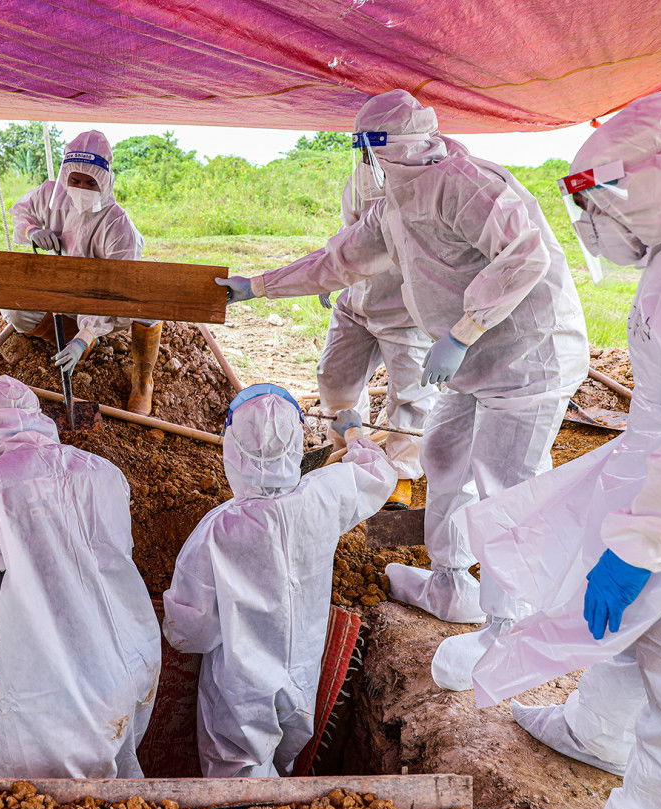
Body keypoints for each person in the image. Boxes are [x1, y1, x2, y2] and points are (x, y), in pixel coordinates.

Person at [457, 93, 661, 809]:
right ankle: (598, 734)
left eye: (597, 217)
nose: (597, 236)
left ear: (630, 190)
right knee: (632, 624)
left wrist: (641, 541)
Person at [218, 90, 588, 689]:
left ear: (382, 147)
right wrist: (256, 286)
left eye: (367, 146)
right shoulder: (393, 200)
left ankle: (508, 628)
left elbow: (524, 259)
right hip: (473, 359)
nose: (364, 159)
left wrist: (463, 333)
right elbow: (338, 261)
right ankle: (448, 580)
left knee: (505, 480)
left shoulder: (469, 183)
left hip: (527, 356)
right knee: (443, 455)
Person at [164, 386, 395, 776]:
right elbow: (377, 474)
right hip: (304, 672)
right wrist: (354, 433)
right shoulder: (325, 494)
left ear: (232, 448)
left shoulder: (217, 530)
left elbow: (191, 633)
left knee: (239, 778)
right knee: (284, 765)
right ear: (299, 441)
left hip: (243, 687)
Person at [0, 375, 160, 778]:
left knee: (46, 800)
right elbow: (114, 557)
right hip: (130, 646)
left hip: (50, 671)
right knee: (118, 783)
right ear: (39, 420)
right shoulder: (103, 470)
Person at [299, 163, 436, 509]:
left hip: (403, 306)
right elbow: (354, 230)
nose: (368, 148)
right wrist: (332, 270)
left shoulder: (427, 184)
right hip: (356, 298)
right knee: (334, 377)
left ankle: (401, 474)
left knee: (410, 392)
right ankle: (346, 448)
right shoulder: (361, 174)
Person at [6, 130, 163, 415]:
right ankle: (69, 339)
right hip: (61, 293)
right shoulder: (50, 196)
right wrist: (32, 231)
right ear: (65, 176)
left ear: (103, 181)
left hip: (107, 301)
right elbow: (20, 214)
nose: (80, 187)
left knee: (148, 307)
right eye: (74, 180)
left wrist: (87, 333)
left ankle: (142, 382)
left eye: (90, 182)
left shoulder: (118, 226)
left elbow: (117, 290)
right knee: (16, 312)